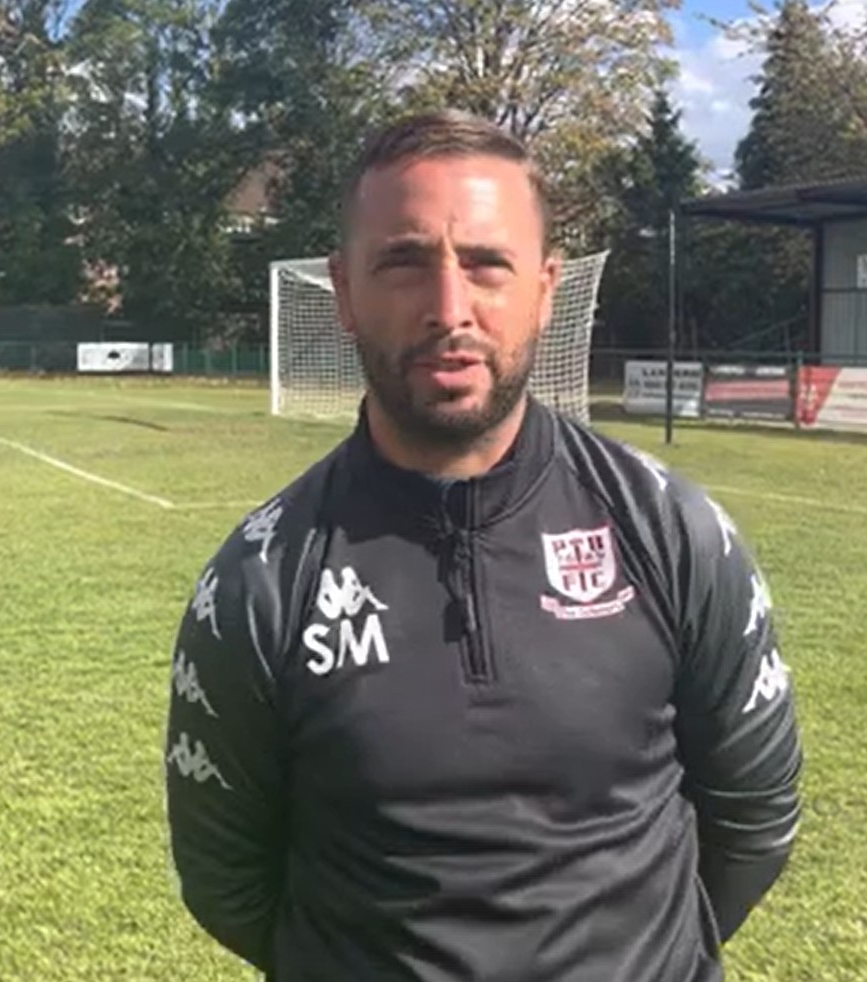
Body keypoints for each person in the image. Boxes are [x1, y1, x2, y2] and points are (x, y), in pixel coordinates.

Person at [163, 108, 804, 982]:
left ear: (545, 288)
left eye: (486, 264)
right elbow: (225, 882)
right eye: (403, 263)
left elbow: (753, 818)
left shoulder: (673, 533)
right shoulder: (259, 578)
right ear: (342, 292)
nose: (448, 309)